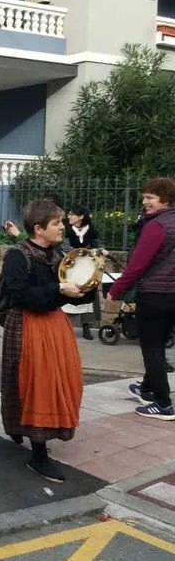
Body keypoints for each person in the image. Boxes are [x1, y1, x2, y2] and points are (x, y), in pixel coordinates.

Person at [0, 200, 85, 482]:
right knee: (34, 384)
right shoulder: (17, 256)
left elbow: (66, 296)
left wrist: (82, 288)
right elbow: (19, 294)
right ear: (38, 228)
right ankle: (38, 455)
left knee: (61, 380)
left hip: (54, 324)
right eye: (56, 223)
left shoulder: (58, 255)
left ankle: (22, 428)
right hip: (27, 324)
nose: (62, 227)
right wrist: (59, 288)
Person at [107, 178, 175, 420]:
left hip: (155, 294)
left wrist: (115, 291)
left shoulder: (156, 227)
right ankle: (147, 387)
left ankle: (163, 403)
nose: (144, 201)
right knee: (159, 343)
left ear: (165, 199)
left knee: (151, 347)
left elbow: (137, 265)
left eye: (150, 197)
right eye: (144, 196)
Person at [63, 206, 102, 340]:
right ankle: (66, 326)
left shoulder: (91, 230)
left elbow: (97, 245)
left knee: (88, 294)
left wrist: (100, 250)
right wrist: (80, 252)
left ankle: (86, 327)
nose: (69, 216)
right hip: (71, 266)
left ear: (81, 217)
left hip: (88, 267)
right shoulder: (66, 230)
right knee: (69, 293)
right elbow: (64, 246)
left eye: (72, 214)